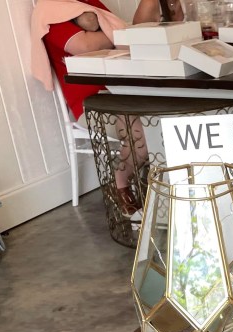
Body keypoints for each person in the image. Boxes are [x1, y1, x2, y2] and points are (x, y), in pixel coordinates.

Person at [31, 0, 180, 213]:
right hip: (92, 102)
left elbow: (128, 34)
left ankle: (165, 185)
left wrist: (115, 36)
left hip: (126, 90)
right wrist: (118, 37)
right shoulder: (50, 10)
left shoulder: (89, 3)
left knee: (175, 111)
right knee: (143, 130)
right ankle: (120, 181)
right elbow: (85, 46)